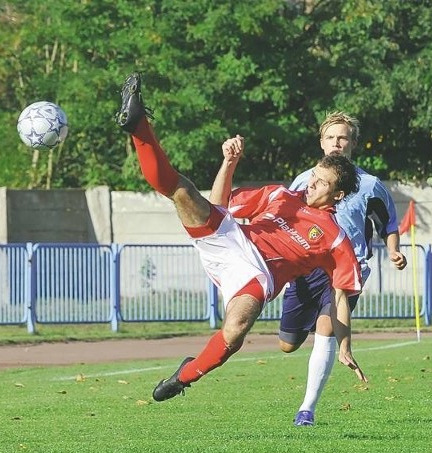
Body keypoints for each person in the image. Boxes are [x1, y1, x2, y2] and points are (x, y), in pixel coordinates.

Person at [114, 73, 368, 402]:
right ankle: (138, 126)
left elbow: (340, 295)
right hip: (230, 239)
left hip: (256, 274)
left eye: (321, 183)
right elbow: (220, 204)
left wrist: (344, 344)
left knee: (234, 332)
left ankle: (184, 376)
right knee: (181, 191)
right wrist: (229, 163)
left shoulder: (334, 239)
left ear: (338, 195)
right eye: (314, 176)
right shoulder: (281, 195)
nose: (311, 184)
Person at [279, 111, 407, 426]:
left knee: (326, 332)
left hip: (348, 270)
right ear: (321, 142)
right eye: (331, 137)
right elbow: (285, 220)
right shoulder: (304, 181)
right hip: (307, 268)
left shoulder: (370, 185)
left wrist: (393, 251)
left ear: (352, 143)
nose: (337, 142)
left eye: (343, 137)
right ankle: (309, 336)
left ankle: (306, 410)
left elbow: (387, 224)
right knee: (287, 344)